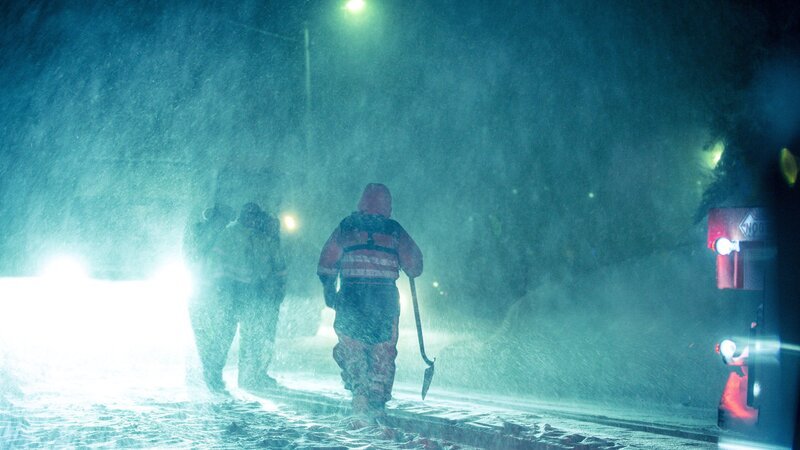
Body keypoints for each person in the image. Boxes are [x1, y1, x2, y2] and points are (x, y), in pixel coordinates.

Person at [317, 183, 423, 419]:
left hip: (351, 297)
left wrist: (328, 287)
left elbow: (327, 259)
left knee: (351, 346)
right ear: (388, 205)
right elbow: (415, 266)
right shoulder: (394, 230)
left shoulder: (347, 227)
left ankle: (359, 390)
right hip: (383, 300)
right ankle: (376, 398)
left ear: (362, 202)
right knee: (383, 351)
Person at [208, 202, 287, 393]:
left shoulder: (261, 237)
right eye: (250, 217)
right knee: (225, 335)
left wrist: (274, 287)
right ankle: (213, 376)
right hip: (232, 292)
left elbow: (273, 264)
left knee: (252, 337)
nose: (252, 220)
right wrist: (220, 287)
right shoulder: (230, 234)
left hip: (252, 293)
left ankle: (250, 377)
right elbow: (216, 263)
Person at [183, 203, 235, 393]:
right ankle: (211, 372)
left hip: (211, 291)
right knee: (209, 333)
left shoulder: (218, 236)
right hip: (207, 291)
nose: (224, 224)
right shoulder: (209, 236)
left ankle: (212, 372)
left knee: (214, 333)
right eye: (223, 220)